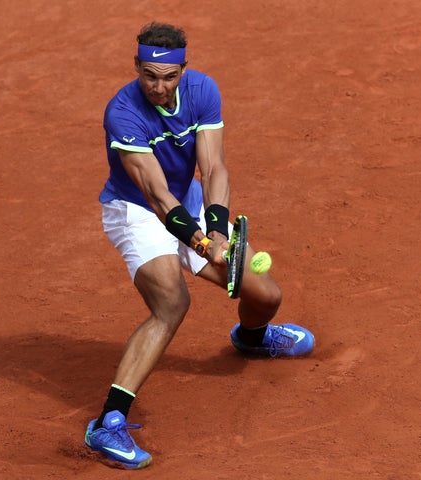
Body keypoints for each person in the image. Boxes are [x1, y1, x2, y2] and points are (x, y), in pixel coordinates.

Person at [83, 22, 315, 469]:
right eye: (149, 75)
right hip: (135, 211)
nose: (158, 86)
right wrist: (196, 240)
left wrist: (219, 232)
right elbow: (154, 193)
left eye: (169, 77)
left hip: (186, 202)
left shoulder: (202, 90)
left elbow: (214, 169)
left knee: (266, 294)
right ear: (136, 68)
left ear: (182, 71)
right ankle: (108, 423)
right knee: (172, 302)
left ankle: (251, 339)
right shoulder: (122, 113)